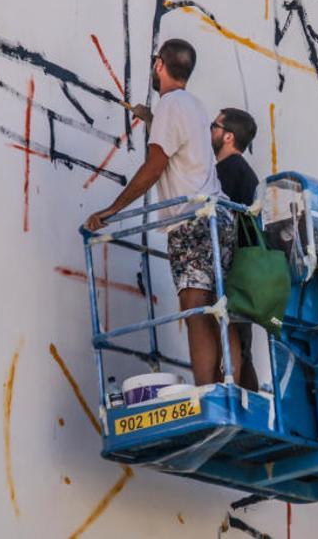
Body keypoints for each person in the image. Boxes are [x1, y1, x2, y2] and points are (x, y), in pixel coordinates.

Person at [84, 39, 243, 386]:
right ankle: (229, 387)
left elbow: (155, 167)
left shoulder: (171, 105)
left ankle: (206, 395)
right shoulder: (194, 106)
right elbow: (185, 147)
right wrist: (151, 118)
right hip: (218, 217)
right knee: (219, 310)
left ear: (159, 65)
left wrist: (112, 209)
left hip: (192, 222)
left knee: (195, 309)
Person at [210, 108, 261, 391]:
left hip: (234, 269)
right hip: (247, 270)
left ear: (228, 136)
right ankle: (249, 401)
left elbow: (218, 221)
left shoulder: (227, 171)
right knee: (242, 344)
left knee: (232, 343)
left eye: (213, 126)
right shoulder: (244, 171)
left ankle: (236, 400)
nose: (211, 132)